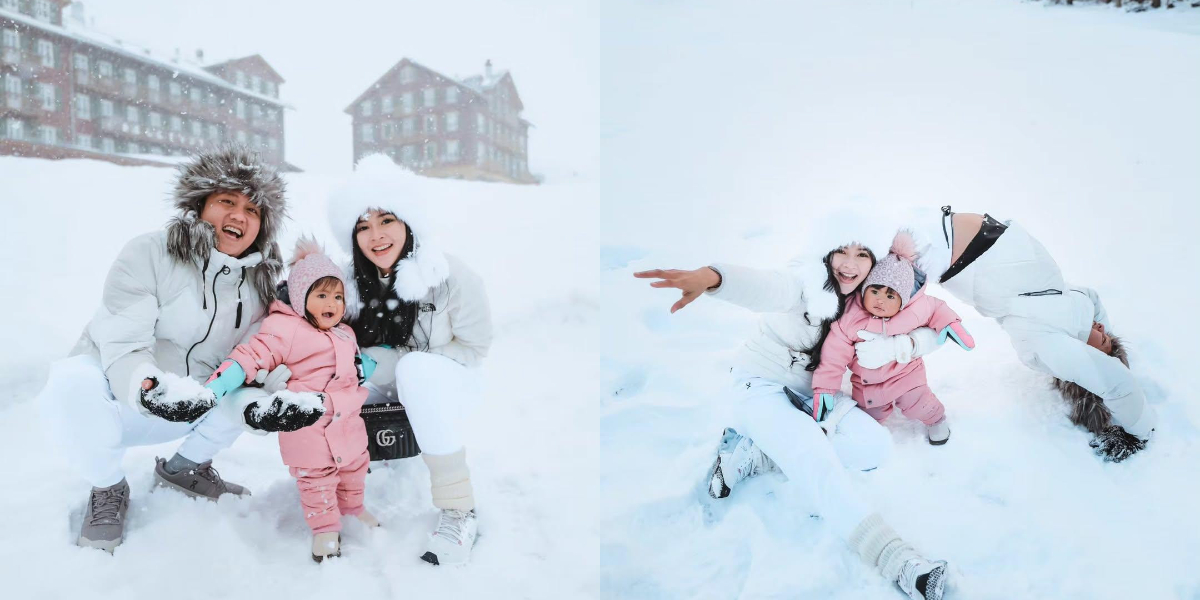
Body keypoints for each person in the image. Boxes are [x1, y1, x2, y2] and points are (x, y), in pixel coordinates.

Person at [635, 229, 953, 600]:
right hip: (763, 384)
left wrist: (905, 345)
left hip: (815, 392)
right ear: (827, 251)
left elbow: (926, 317)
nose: (849, 265)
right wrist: (713, 278)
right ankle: (898, 561)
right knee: (815, 462)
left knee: (874, 447)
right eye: (842, 252)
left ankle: (755, 454)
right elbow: (766, 287)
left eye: (862, 255)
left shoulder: (869, 297)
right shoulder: (805, 281)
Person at [36, 145, 319, 553]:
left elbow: (255, 360)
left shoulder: (260, 286)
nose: (239, 215)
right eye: (227, 201)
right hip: (121, 397)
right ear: (199, 205)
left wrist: (271, 400)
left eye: (253, 210)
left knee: (247, 389)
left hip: (193, 406)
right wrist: (148, 387)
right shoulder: (150, 252)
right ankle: (108, 487)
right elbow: (123, 342)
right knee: (69, 383)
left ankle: (185, 469)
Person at [328, 156, 493, 566]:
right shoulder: (349, 283)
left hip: (448, 381)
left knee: (414, 369)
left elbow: (474, 349)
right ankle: (344, 476)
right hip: (396, 379)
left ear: (408, 222)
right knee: (343, 362)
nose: (376, 235)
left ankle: (459, 509)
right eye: (362, 227)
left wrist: (411, 362)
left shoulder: (448, 274)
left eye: (386, 220)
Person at [904, 207, 1155, 461]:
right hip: (969, 232)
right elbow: (1093, 300)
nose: (1102, 328)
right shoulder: (1075, 303)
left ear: (1085, 354)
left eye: (1102, 339)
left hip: (941, 250)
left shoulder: (1050, 342)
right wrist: (1103, 336)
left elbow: (1120, 384)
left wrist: (1139, 434)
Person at [205, 238, 378, 562]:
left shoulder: (345, 332)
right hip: (308, 430)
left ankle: (353, 509)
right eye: (322, 295)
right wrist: (218, 385)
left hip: (349, 429)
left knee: (356, 469)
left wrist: (367, 365)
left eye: (338, 296)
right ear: (300, 298)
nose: (333, 303)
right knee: (318, 483)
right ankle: (325, 529)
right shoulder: (284, 329)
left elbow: (353, 365)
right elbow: (250, 355)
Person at [811, 230, 975, 445]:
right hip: (866, 384)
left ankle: (936, 420)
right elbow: (833, 356)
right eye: (875, 291)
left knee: (920, 403)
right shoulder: (849, 317)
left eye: (890, 296)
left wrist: (951, 323)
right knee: (869, 414)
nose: (880, 300)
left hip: (907, 377)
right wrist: (824, 387)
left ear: (903, 300)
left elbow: (936, 308)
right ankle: (870, 432)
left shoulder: (913, 310)